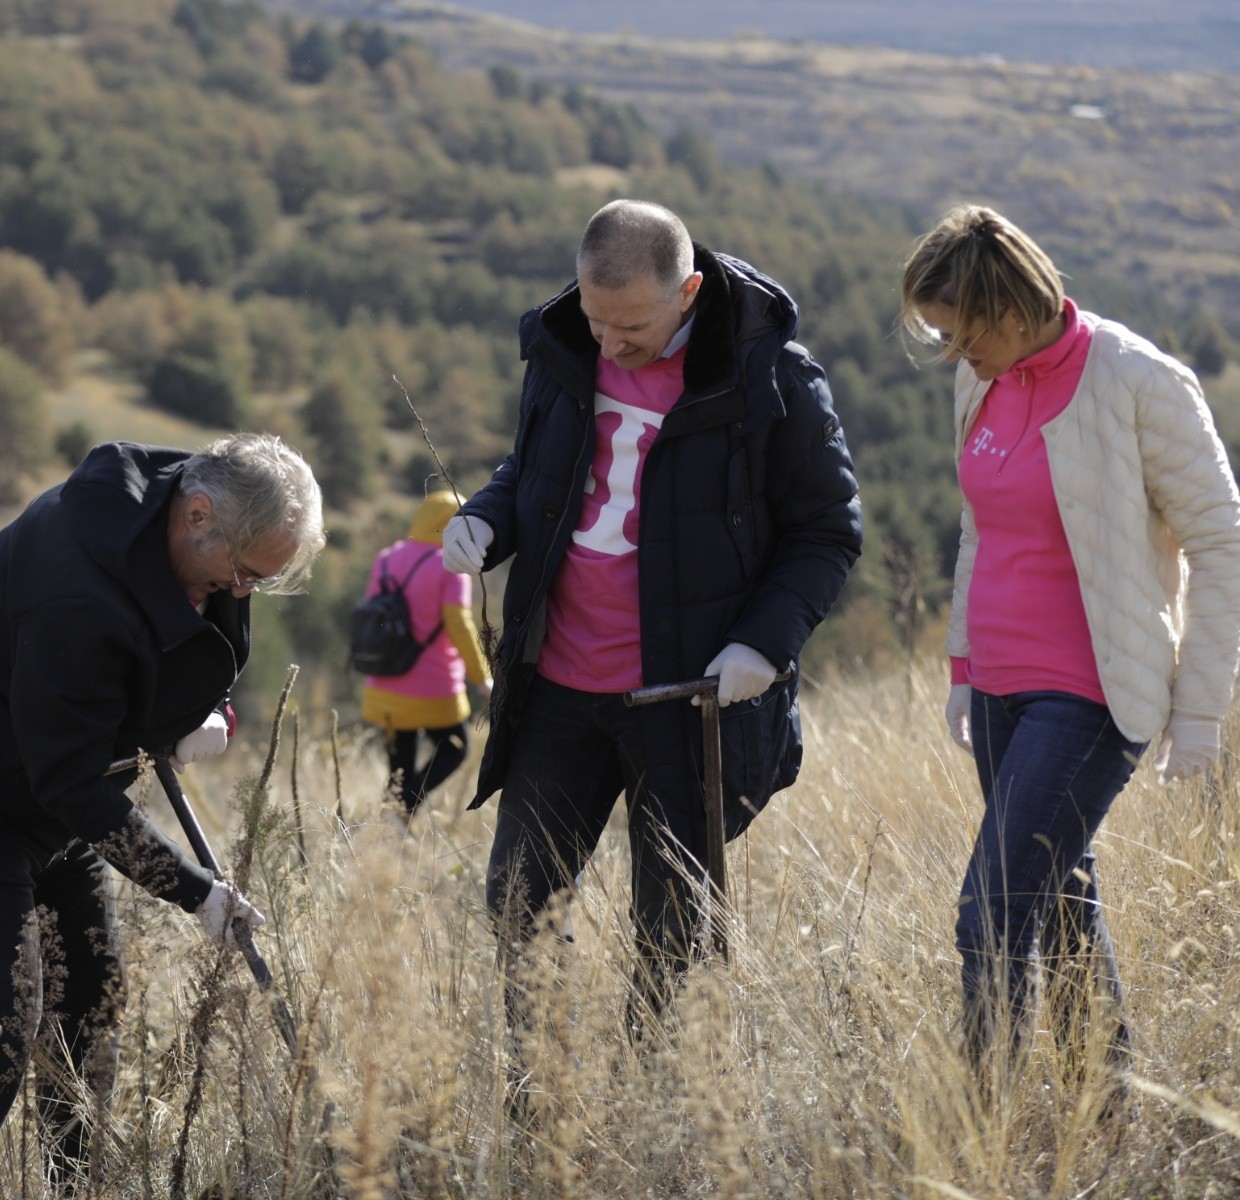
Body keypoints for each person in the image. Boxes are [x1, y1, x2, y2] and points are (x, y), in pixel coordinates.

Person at [0, 434, 324, 1196]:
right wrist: (195, 889)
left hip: (46, 796)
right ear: (196, 514)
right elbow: (71, 783)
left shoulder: (213, 532)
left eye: (259, 582)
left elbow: (208, 646)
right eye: (240, 572)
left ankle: (72, 1190)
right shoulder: (74, 584)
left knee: (91, 1000)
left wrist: (212, 709)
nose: (242, 592)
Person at [443, 199, 862, 1042]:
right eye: (597, 320)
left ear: (688, 291)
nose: (609, 344)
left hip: (684, 699)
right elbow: (534, 468)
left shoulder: (770, 379)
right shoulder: (565, 347)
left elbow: (827, 533)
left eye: (630, 326)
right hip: (557, 691)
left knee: (675, 934)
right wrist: (490, 517)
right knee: (517, 908)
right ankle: (544, 1111)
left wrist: (763, 645)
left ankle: (658, 1114)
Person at [900, 204, 1240, 1097]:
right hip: (1003, 691)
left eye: (960, 332)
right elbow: (981, 527)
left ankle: (985, 1133)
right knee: (1056, 903)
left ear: (1010, 308)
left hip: (1095, 692)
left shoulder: (1139, 380)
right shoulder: (982, 378)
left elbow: (1221, 538)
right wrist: (964, 670)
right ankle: (1108, 1104)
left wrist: (1201, 710)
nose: (950, 353)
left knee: (991, 913)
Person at [359, 492, 494, 815]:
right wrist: (482, 678)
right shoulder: (451, 564)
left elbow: (371, 618)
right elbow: (459, 625)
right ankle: (402, 813)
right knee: (454, 751)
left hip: (385, 684)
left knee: (399, 771)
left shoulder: (387, 558)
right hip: (434, 689)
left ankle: (391, 825)